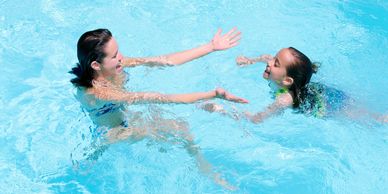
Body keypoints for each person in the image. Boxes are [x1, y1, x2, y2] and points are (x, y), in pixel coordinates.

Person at [69, 28, 246, 190]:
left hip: (125, 115)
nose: (121, 57)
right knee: (180, 127)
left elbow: (165, 61)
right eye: (115, 55)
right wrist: (212, 94)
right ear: (95, 65)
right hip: (115, 131)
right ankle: (206, 170)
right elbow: (158, 98)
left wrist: (211, 47)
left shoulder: (114, 66)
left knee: (167, 122)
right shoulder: (98, 93)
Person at [202, 47, 387, 123]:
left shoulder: (284, 99)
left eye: (276, 64)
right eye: (274, 58)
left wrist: (222, 110)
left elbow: (256, 119)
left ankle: (381, 118)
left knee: (361, 116)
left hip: (323, 106)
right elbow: (266, 57)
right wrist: (249, 61)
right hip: (317, 90)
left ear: (287, 81)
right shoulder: (278, 73)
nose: (269, 62)